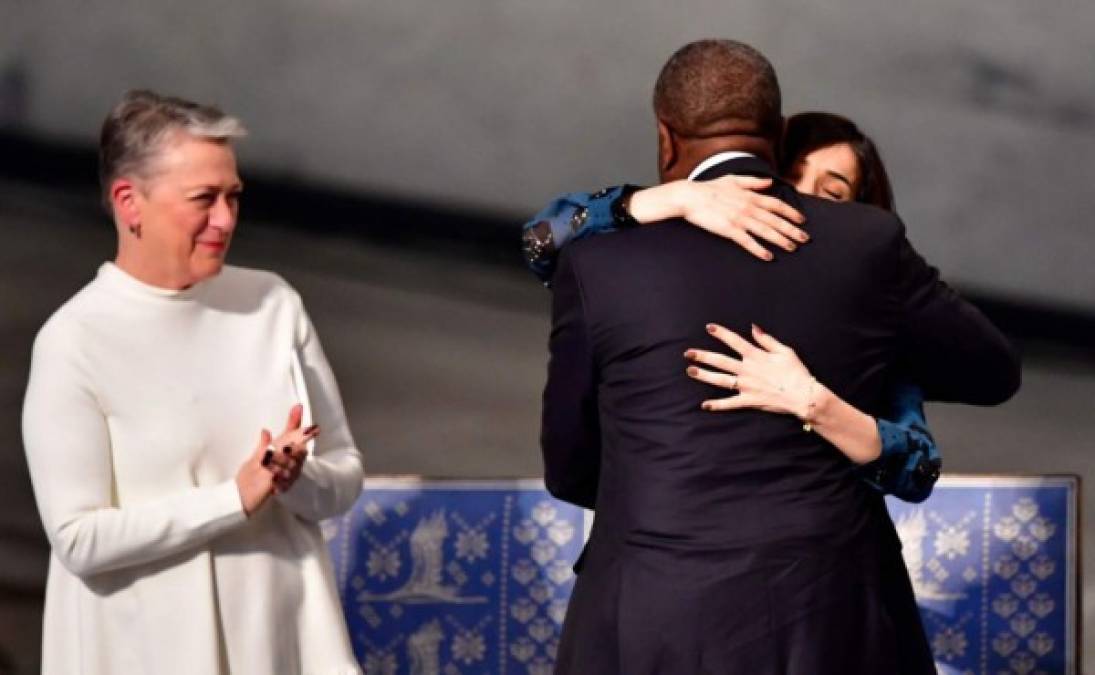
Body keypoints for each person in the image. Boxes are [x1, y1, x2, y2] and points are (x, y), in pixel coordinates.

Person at [540, 39, 1020, 674]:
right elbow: (992, 370)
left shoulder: (598, 261)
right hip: (832, 614)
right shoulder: (867, 247)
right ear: (779, 134)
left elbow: (570, 467)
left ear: (665, 139)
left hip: (655, 615)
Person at [21, 90, 364, 675]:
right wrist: (233, 499)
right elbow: (78, 540)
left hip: (282, 644)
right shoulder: (75, 341)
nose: (226, 219)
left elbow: (345, 474)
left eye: (233, 197)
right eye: (203, 199)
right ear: (130, 202)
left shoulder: (272, 304)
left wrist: (295, 478)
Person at [525, 111, 940, 504]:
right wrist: (672, 198)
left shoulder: (867, 314)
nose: (804, 199)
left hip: (813, 553)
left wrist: (815, 403)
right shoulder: (684, 265)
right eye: (791, 178)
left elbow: (919, 469)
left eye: (832, 194)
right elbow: (541, 241)